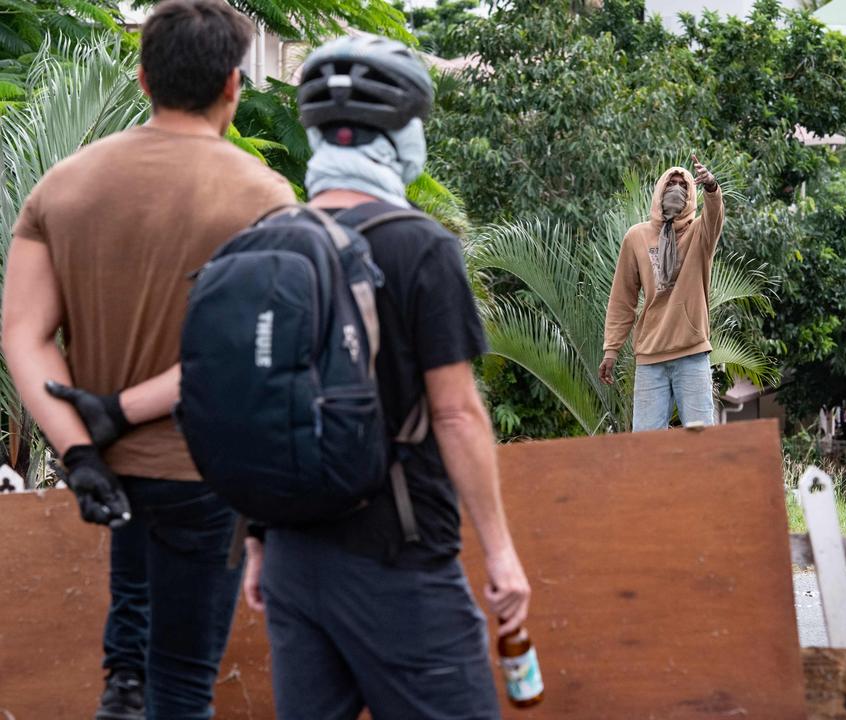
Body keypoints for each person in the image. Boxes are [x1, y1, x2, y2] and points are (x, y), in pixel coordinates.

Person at [49, 35, 532, 719]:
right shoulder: (421, 245)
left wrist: (258, 542)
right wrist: (503, 557)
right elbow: (456, 414)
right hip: (401, 559)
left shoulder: (268, 240)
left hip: (294, 566)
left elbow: (256, 398)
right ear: (399, 135)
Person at [0, 2, 296, 719]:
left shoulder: (61, 187)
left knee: (128, 674)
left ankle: (123, 683)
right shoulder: (266, 200)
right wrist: (125, 412)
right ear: (234, 84)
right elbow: (249, 356)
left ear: (141, 79)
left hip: (108, 475)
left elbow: (23, 334)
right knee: (185, 687)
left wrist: (81, 451)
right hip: (205, 475)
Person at [600, 159, 724, 431]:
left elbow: (715, 217)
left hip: (692, 354)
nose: (676, 189)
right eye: (670, 184)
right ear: (659, 190)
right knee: (646, 448)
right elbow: (623, 298)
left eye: (683, 185)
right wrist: (611, 349)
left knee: (703, 444)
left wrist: (712, 187)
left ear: (692, 195)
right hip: (650, 358)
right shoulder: (637, 237)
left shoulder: (699, 233)